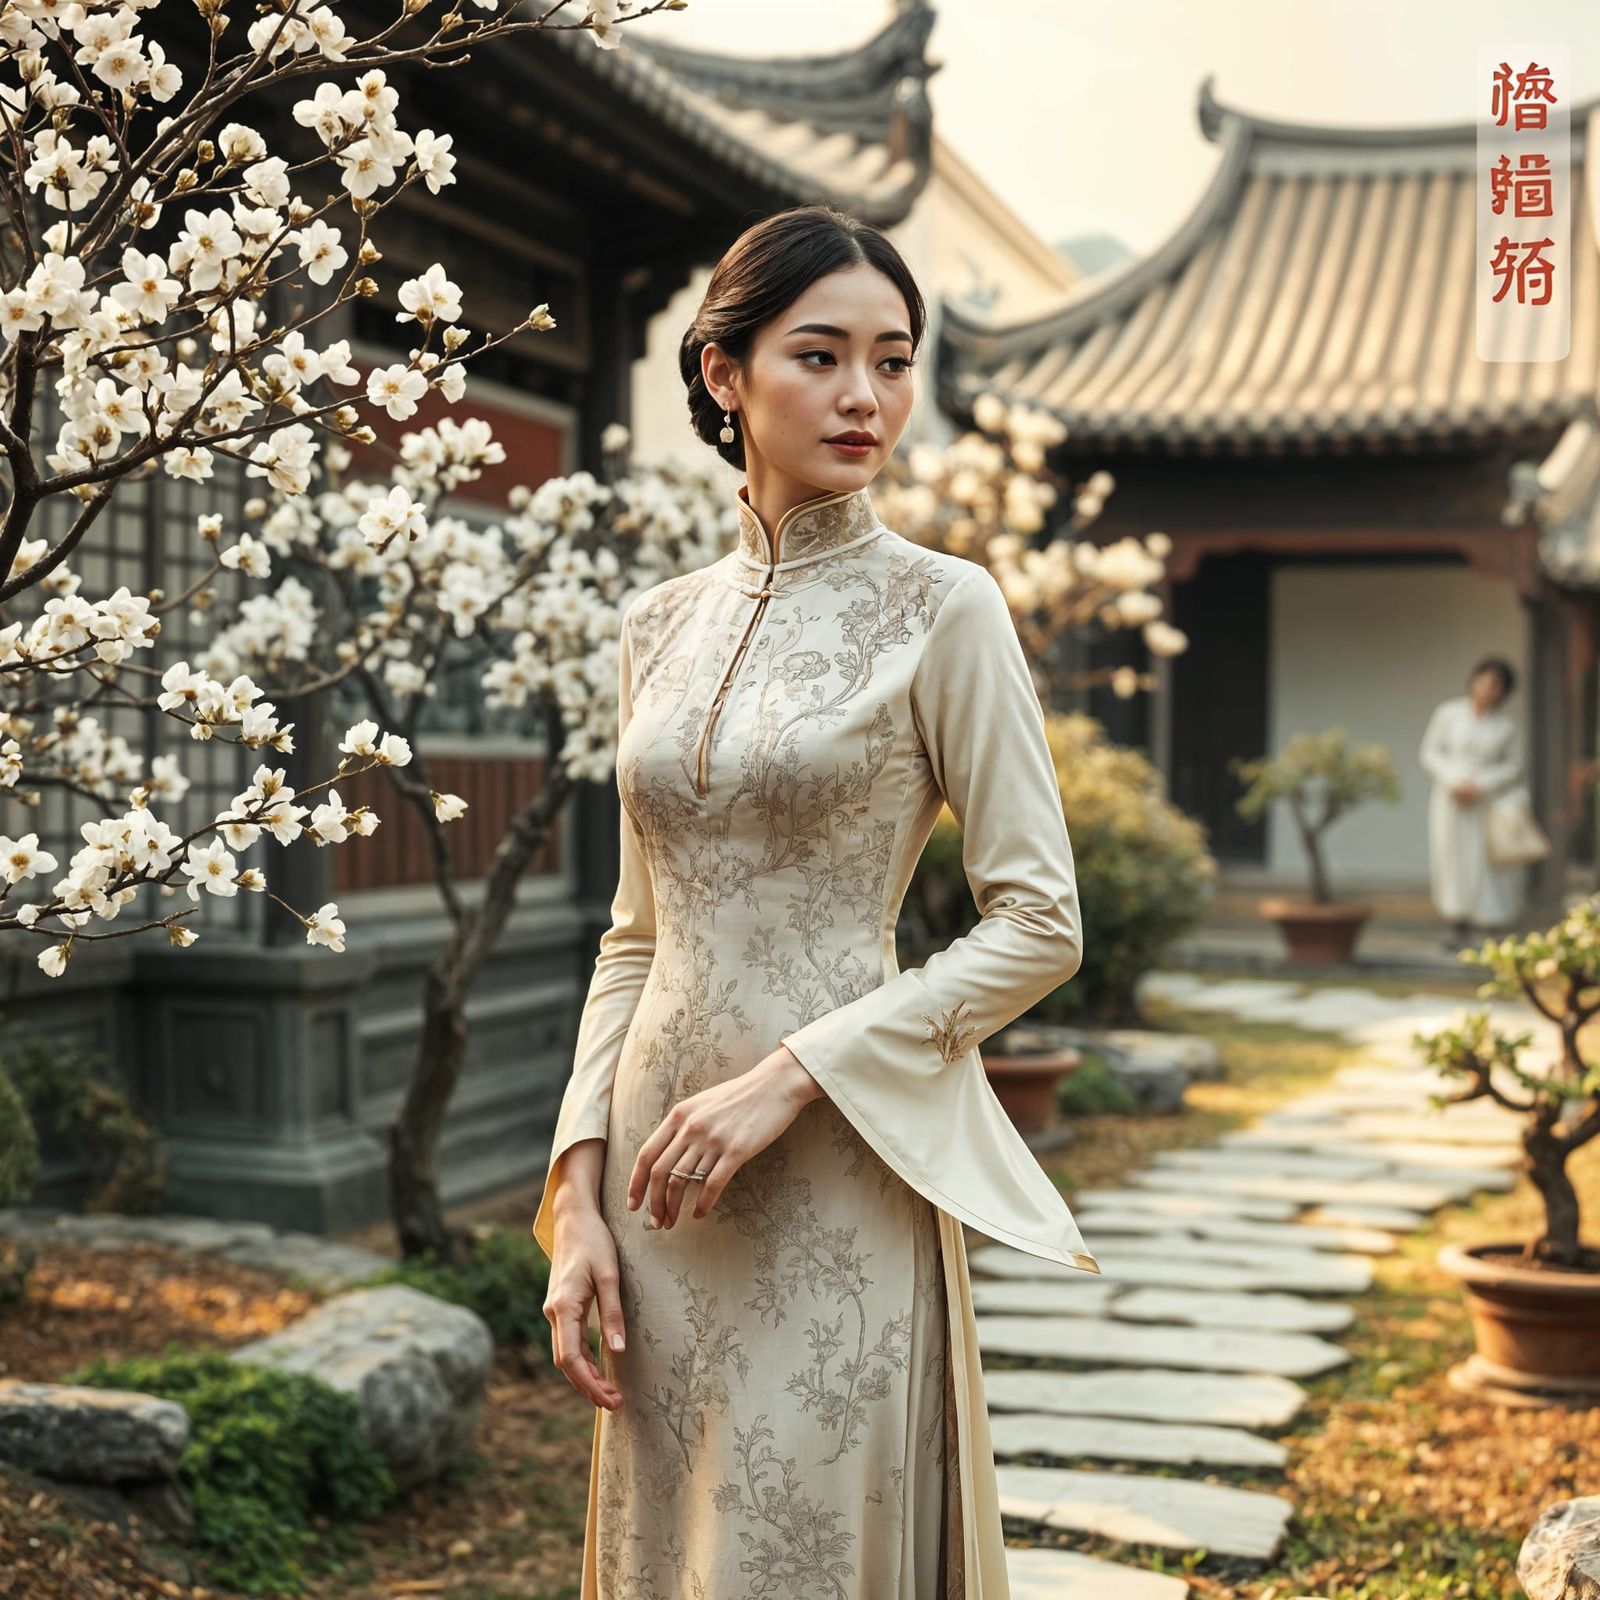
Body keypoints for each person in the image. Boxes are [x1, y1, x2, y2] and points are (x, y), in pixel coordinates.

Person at [531, 202, 1098, 1599]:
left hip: (841, 1164)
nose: (866, 396)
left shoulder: (945, 610)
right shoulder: (656, 625)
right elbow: (635, 935)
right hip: (661, 1191)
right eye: (823, 355)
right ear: (724, 376)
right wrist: (575, 1198)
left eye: (895, 361)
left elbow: (1041, 921)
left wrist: (795, 1074)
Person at [1419, 655, 1528, 949]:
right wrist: (1454, 780)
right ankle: (1458, 924)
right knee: (1451, 857)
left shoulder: (1506, 726)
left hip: (1484, 801)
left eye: (1495, 685)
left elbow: (1515, 766)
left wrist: (1482, 784)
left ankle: (1488, 923)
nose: (1487, 689)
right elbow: (1430, 753)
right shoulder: (1449, 713)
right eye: (1483, 680)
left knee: (1486, 862)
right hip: (1451, 798)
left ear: (1503, 692)